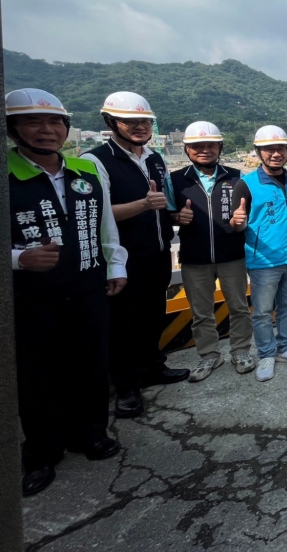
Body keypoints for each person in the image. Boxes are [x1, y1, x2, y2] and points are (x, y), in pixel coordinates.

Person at [7, 89, 127, 496]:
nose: (47, 130)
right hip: (32, 293)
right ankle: (41, 451)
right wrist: (19, 258)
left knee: (90, 362)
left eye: (55, 122)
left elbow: (105, 224)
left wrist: (115, 265)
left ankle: (90, 434)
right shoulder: (8, 174)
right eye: (33, 122)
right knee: (38, 372)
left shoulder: (85, 169)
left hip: (87, 284)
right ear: (13, 129)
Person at [83, 91, 188, 419]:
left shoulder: (155, 158)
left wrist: (175, 216)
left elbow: (164, 203)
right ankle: (126, 386)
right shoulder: (96, 161)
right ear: (111, 122)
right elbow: (96, 213)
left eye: (145, 121)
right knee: (123, 323)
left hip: (157, 251)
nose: (140, 127)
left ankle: (153, 367)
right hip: (124, 257)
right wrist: (142, 205)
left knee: (153, 313)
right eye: (130, 122)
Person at [170, 121, 254, 382]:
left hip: (232, 255)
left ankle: (240, 350)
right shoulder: (176, 180)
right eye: (197, 146)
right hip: (195, 258)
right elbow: (165, 213)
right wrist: (176, 217)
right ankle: (209, 355)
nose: (204, 150)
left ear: (220, 147)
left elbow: (249, 214)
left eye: (211, 145)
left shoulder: (237, 177)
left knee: (239, 306)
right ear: (187, 149)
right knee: (201, 311)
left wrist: (241, 221)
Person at [229, 126, 287, 382]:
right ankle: (266, 353)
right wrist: (237, 222)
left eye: (281, 149)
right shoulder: (247, 184)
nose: (276, 154)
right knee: (263, 311)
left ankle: (285, 347)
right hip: (264, 261)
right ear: (259, 152)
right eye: (269, 149)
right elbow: (238, 224)